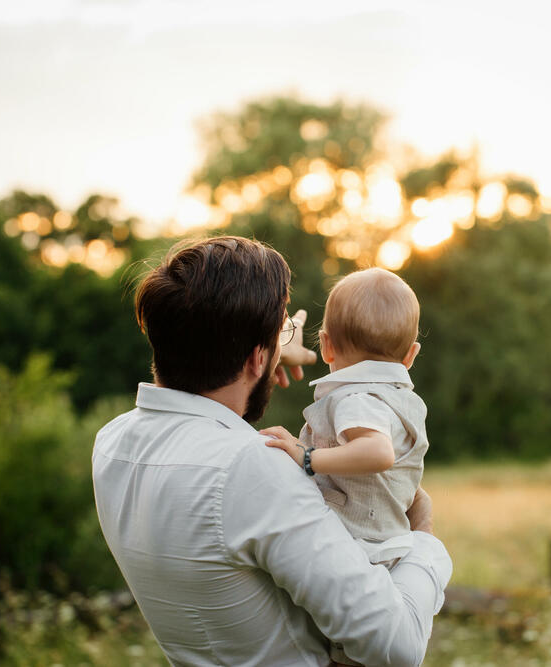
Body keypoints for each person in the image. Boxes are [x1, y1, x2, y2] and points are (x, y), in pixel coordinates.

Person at [91, 237, 451, 667]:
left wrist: (262, 354)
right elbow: (396, 646)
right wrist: (423, 538)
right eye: (280, 332)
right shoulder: (255, 469)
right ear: (255, 360)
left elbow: (200, 409)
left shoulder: (113, 443)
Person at [259, 268, 430, 666]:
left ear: (326, 346)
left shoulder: (356, 397)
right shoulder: (395, 398)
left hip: (359, 546)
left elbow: (377, 453)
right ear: (411, 355)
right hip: (384, 540)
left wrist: (307, 456)